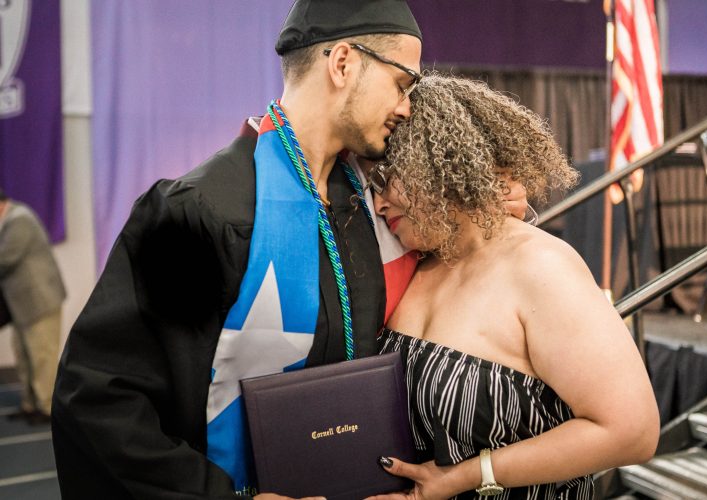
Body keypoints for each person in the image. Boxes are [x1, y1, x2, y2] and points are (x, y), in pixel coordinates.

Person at [51, 2, 532, 499]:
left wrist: (487, 207)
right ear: (343, 63)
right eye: (401, 83)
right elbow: (99, 401)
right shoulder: (203, 212)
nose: (407, 106)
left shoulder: (373, 204)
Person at [363, 74, 660, 499]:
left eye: (389, 178)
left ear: (439, 166)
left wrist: (467, 476)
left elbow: (633, 431)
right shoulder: (414, 264)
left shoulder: (541, 267)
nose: (379, 202)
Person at [0, 188, 66, 425]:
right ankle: (30, 404)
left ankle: (46, 408)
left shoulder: (19, 219)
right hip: (21, 305)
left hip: (39, 301)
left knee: (41, 356)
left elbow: (5, 258)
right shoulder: (8, 220)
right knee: (23, 356)